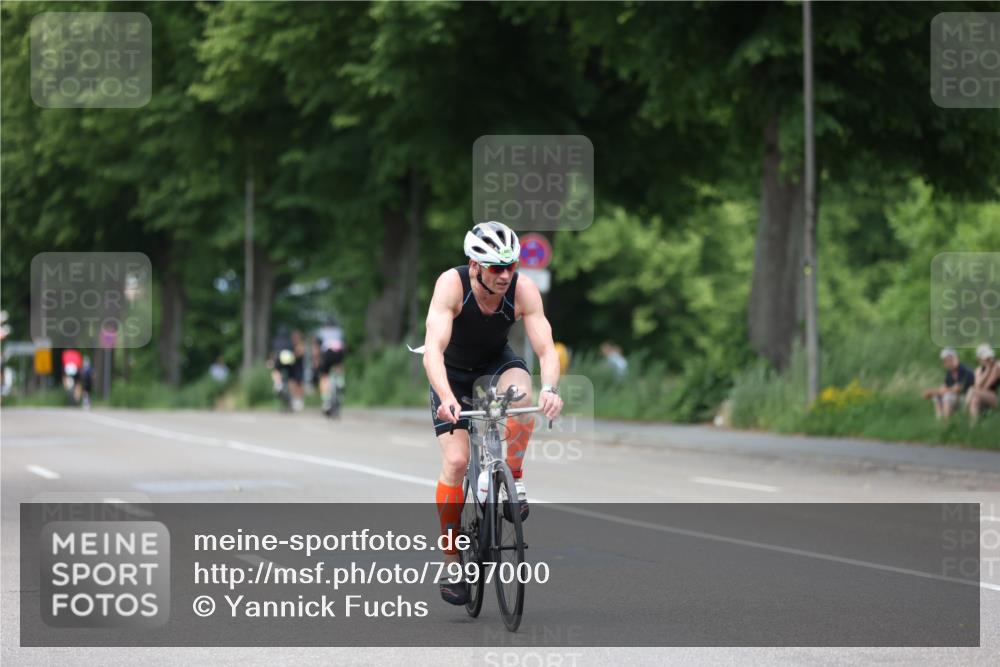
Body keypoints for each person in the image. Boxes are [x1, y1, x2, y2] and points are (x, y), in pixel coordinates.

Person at [422, 221, 564, 606]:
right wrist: (447, 397)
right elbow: (433, 348)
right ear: (474, 265)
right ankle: (452, 560)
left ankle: (513, 476)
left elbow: (547, 349)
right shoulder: (451, 286)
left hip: (495, 364)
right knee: (456, 461)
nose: (505, 275)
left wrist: (551, 389)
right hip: (451, 373)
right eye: (495, 268)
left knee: (522, 396)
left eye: (511, 266)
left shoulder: (523, 289)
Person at [923, 348, 974, 419]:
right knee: (937, 397)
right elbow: (943, 388)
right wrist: (932, 393)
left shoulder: (964, 370)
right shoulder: (950, 373)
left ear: (955, 359)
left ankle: (946, 424)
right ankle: (940, 420)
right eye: (945, 361)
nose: (947, 362)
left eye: (949, 360)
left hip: (967, 398)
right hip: (956, 398)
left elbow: (957, 389)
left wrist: (933, 391)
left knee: (947, 396)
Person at [315, 319, 346, 416]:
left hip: (328, 352)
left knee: (324, 376)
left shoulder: (321, 332)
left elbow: (317, 348)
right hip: (339, 351)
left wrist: (316, 360)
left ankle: (326, 401)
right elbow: (344, 344)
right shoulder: (339, 331)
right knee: (338, 367)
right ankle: (340, 382)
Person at [966, 343, 1000, 424]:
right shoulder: (978, 370)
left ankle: (965, 409)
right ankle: (973, 426)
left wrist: (988, 369)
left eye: (989, 357)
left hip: (996, 397)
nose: (989, 360)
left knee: (972, 391)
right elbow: (978, 386)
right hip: (985, 397)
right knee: (975, 399)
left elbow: (986, 387)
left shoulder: (997, 366)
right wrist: (987, 370)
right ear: (979, 359)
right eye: (986, 358)